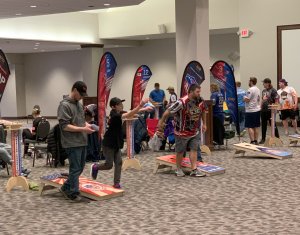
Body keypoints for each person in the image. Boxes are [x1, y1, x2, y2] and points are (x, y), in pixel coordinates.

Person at [90, 97, 148, 188]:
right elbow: (129, 113)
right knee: (109, 165)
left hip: (116, 143)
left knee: (119, 162)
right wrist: (140, 105)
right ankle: (95, 167)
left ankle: (116, 183)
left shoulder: (117, 113)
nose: (121, 105)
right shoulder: (115, 115)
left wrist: (143, 108)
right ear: (113, 107)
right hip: (109, 144)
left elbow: (129, 112)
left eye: (121, 104)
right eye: (119, 104)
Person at [157, 84, 206, 177]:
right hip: (181, 133)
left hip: (194, 131)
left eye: (199, 92)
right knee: (180, 151)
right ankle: (178, 169)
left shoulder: (200, 101)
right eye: (197, 92)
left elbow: (203, 111)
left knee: (194, 149)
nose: (199, 94)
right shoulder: (181, 102)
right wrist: (161, 122)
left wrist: (205, 124)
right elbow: (168, 111)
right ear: (191, 92)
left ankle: (194, 169)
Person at [57, 81, 95, 202]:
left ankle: (66, 187)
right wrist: (83, 129)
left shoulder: (78, 104)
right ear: (74, 90)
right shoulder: (64, 105)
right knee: (75, 168)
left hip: (82, 140)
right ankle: (73, 193)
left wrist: (88, 125)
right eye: (80, 93)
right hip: (71, 142)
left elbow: (80, 121)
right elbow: (65, 126)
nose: (82, 96)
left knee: (80, 168)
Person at [259, 78, 280, 144]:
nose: (263, 84)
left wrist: (276, 108)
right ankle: (263, 139)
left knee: (273, 125)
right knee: (263, 125)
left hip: (270, 110)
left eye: (264, 83)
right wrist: (261, 107)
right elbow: (263, 100)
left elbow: (276, 99)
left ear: (268, 83)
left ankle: (277, 138)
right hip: (263, 110)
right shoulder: (263, 91)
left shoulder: (273, 90)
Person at [244, 77, 261, 145]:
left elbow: (247, 99)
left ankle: (252, 141)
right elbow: (258, 99)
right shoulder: (258, 89)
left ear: (251, 82)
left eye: (249, 81)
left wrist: (244, 98)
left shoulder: (250, 89)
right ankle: (256, 140)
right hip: (257, 109)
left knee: (250, 126)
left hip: (250, 110)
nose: (248, 82)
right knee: (256, 126)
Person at [210, 84, 225, 148]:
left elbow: (213, 103)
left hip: (216, 113)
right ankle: (221, 141)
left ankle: (217, 141)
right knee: (220, 128)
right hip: (221, 113)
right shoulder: (221, 94)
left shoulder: (214, 94)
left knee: (216, 129)